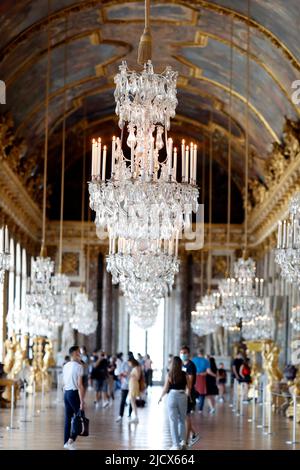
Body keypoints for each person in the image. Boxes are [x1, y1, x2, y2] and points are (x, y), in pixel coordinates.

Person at [158, 356, 187, 450]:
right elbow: (188, 387)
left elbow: (166, 388)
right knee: (182, 420)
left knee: (173, 421)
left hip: (172, 396)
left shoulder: (170, 374)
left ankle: (176, 445)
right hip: (182, 396)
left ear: (172, 364)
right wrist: (188, 396)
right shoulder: (184, 374)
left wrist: (161, 397)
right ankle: (182, 441)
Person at [62, 346, 85, 450]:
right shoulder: (79, 367)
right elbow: (80, 385)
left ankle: (66, 442)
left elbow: (64, 382)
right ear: (75, 353)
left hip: (66, 393)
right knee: (80, 417)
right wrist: (82, 401)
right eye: (79, 352)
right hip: (74, 393)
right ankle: (70, 441)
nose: (80, 354)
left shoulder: (65, 365)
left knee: (68, 418)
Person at [180, 345, 200, 447]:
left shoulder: (191, 365)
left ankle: (186, 441)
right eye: (181, 353)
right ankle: (194, 434)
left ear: (188, 354)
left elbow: (190, 383)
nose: (183, 355)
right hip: (182, 391)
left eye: (185, 353)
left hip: (188, 393)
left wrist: (186, 393)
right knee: (183, 416)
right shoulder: (182, 364)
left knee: (186, 416)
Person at [116, 354, 133, 422]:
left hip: (132, 384)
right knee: (123, 400)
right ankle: (120, 415)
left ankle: (130, 413)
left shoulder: (133, 365)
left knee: (132, 399)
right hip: (125, 384)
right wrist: (122, 375)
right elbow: (120, 373)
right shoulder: (124, 364)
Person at [192, 349, 209, 413]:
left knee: (193, 392)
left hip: (194, 377)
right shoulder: (206, 361)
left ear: (198, 353)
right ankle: (200, 409)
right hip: (202, 377)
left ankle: (192, 408)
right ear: (203, 353)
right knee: (202, 393)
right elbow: (207, 371)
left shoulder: (193, 360)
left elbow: (191, 369)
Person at [128, 357, 142, 424]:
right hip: (132, 385)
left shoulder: (136, 368)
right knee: (132, 401)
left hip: (134, 385)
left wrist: (131, 375)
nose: (129, 364)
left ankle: (136, 417)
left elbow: (138, 377)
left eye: (129, 362)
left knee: (132, 401)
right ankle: (135, 416)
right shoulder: (136, 368)